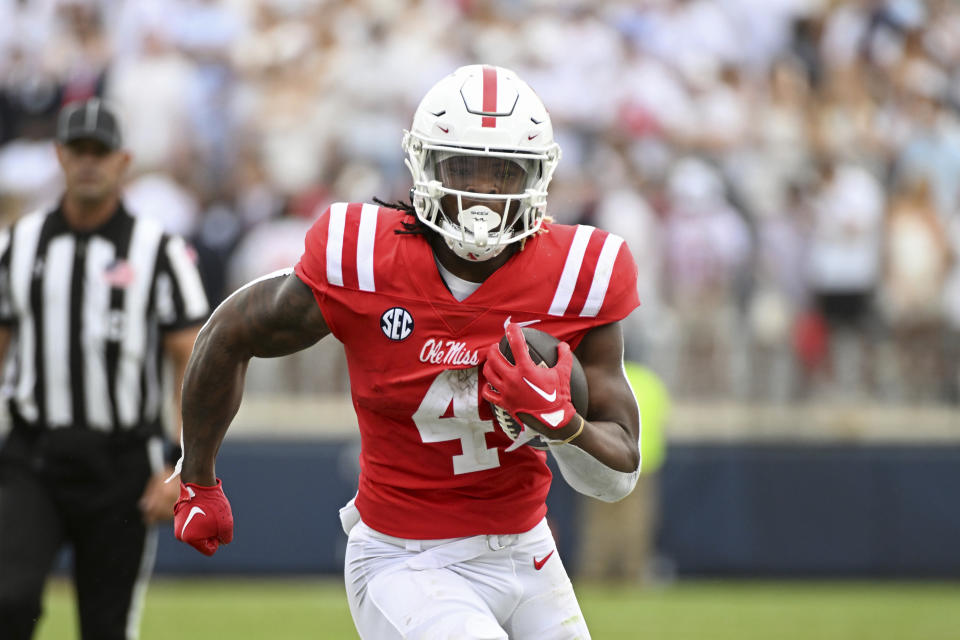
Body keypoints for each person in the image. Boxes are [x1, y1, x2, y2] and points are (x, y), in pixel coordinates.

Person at [173, 65, 642, 639]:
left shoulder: (578, 275)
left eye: (503, 173)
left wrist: (564, 427)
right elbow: (229, 332)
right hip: (403, 556)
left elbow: (617, 477)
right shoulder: (365, 258)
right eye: (465, 167)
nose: (482, 193)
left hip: (528, 552)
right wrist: (197, 478)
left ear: (536, 177)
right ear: (425, 166)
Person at [0, 98, 209, 640]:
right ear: (60, 157)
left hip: (120, 465)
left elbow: (194, 361)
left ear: (123, 161)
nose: (89, 162)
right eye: (79, 150)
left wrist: (181, 464)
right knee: (8, 601)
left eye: (100, 151)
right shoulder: (19, 244)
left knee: (106, 625)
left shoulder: (158, 250)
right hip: (32, 455)